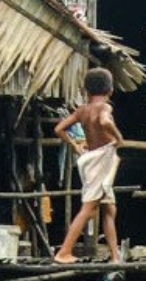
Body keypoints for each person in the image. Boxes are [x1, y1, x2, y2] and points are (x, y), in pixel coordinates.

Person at [52, 67, 124, 264]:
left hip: (90, 158)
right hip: (102, 159)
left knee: (109, 208)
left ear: (87, 90)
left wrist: (75, 146)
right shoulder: (105, 108)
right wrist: (119, 138)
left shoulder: (82, 111)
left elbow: (59, 129)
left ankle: (115, 256)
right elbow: (104, 122)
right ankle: (64, 252)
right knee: (89, 207)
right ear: (110, 90)